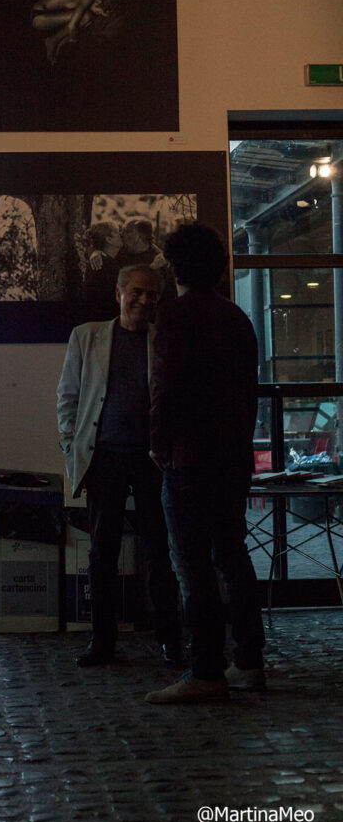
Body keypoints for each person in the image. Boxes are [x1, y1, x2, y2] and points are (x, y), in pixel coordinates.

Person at [145, 222, 265, 705]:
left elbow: (166, 391)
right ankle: (249, 663)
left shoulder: (175, 317)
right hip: (232, 459)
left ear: (175, 265)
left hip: (189, 461)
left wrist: (158, 445)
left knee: (192, 568)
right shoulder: (238, 318)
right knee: (233, 559)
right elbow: (248, 395)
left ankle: (206, 670)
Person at [57, 264, 182, 668]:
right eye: (137, 292)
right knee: (102, 554)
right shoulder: (86, 336)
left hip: (152, 460)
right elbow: (68, 397)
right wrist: (70, 446)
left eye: (151, 294)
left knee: (159, 552)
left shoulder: (164, 338)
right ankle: (103, 641)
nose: (144, 300)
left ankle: (170, 640)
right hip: (104, 458)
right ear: (119, 293)